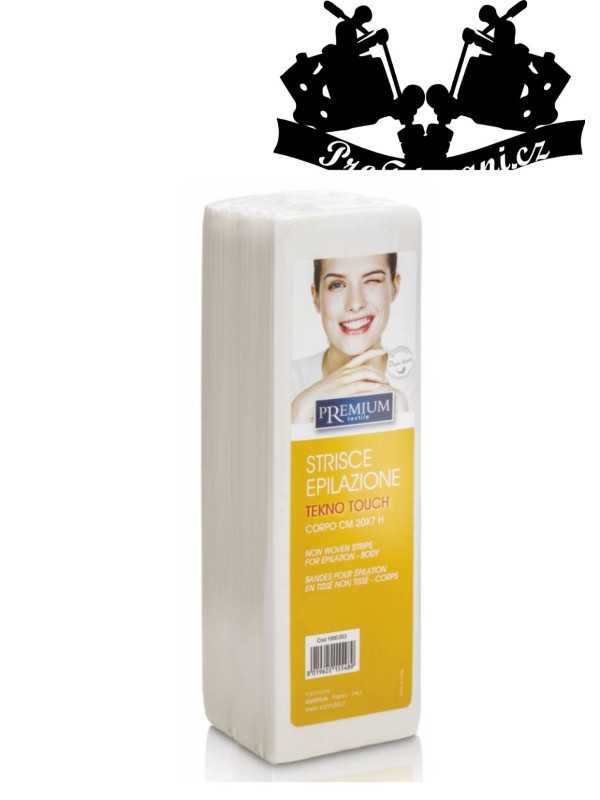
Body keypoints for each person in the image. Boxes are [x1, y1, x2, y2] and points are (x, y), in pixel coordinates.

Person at [291, 253, 413, 424]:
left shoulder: (419, 387)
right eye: (337, 285)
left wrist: (401, 421)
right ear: (316, 296)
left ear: (394, 286)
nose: (355, 304)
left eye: (371, 281)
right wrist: (298, 414)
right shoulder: (286, 383)